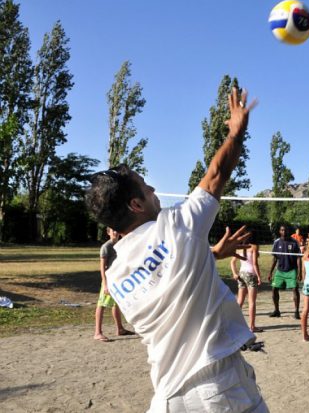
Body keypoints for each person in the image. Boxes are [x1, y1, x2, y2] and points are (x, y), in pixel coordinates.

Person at [85, 87, 268, 412]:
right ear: (136, 204)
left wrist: (211, 253)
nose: (154, 189)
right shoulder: (176, 226)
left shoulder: (115, 275)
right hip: (219, 386)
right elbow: (215, 176)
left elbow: (167, 279)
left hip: (168, 397)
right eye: (146, 187)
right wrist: (236, 133)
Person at [93, 227, 133, 342]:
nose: (115, 232)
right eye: (112, 230)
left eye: (117, 230)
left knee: (116, 303)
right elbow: (102, 267)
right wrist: (105, 284)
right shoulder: (106, 247)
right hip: (108, 280)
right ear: (108, 232)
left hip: (117, 279)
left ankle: (120, 329)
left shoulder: (121, 245)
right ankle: (97, 332)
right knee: (102, 304)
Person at [268, 225, 302, 320]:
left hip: (292, 270)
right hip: (280, 271)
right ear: (280, 231)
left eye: (286, 230)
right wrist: (270, 272)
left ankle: (296, 311)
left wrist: (299, 272)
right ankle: (277, 310)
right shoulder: (277, 242)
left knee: (295, 289)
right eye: (282, 230)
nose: (284, 232)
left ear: (288, 231)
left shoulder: (294, 242)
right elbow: (274, 259)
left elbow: (299, 258)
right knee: (274, 289)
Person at [230, 240, 262, 333]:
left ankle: (233, 324)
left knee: (240, 301)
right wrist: (259, 276)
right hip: (251, 274)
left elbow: (232, 262)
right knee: (251, 302)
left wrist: (235, 273)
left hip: (242, 273)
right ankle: (252, 326)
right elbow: (255, 263)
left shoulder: (239, 248)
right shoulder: (254, 246)